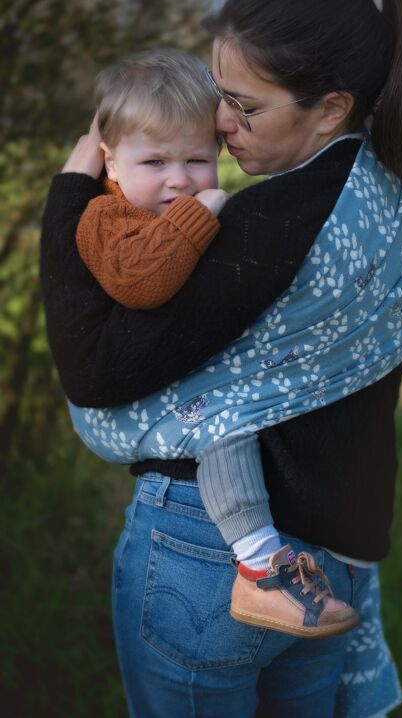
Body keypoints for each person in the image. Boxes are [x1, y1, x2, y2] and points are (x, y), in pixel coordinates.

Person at [40, 0, 402, 716]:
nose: (220, 125)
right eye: (221, 96)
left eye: (244, 106)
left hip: (214, 558)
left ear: (330, 109)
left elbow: (94, 368)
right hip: (335, 557)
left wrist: (70, 190)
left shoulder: (266, 225)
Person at [74, 47, 359, 638]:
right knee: (225, 423)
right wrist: (206, 211)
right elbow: (142, 281)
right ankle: (256, 565)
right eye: (154, 161)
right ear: (112, 165)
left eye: (196, 160)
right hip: (119, 404)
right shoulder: (107, 217)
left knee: (237, 411)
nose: (179, 178)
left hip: (166, 381)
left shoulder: (174, 204)